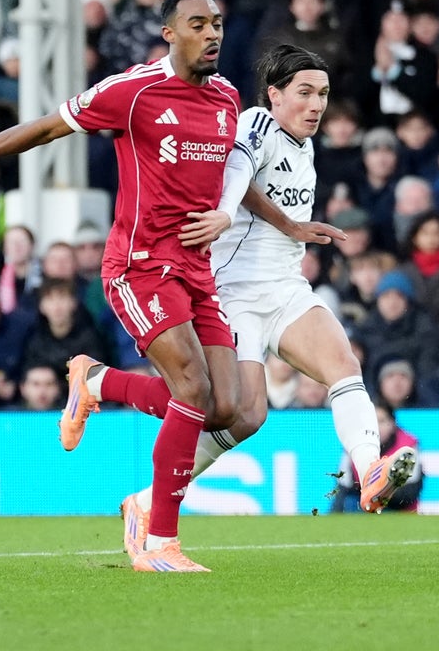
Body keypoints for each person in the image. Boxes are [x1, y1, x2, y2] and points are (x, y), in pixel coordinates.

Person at [0, 0, 247, 574]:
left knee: (227, 408)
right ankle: (158, 542)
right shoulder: (134, 89)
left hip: (197, 268)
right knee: (192, 391)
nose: (213, 33)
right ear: (169, 33)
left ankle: (97, 382)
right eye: (198, 23)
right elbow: (49, 127)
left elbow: (236, 177)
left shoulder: (227, 96)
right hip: (139, 265)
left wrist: (266, 220)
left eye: (218, 23)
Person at [57, 45, 417, 555]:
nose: (316, 105)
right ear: (275, 94)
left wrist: (291, 228)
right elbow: (237, 174)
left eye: (323, 95)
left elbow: (261, 197)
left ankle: (369, 471)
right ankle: (100, 384)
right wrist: (224, 214)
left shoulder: (304, 144)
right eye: (305, 93)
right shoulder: (256, 124)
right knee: (238, 414)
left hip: (286, 288)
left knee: (344, 364)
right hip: (233, 294)